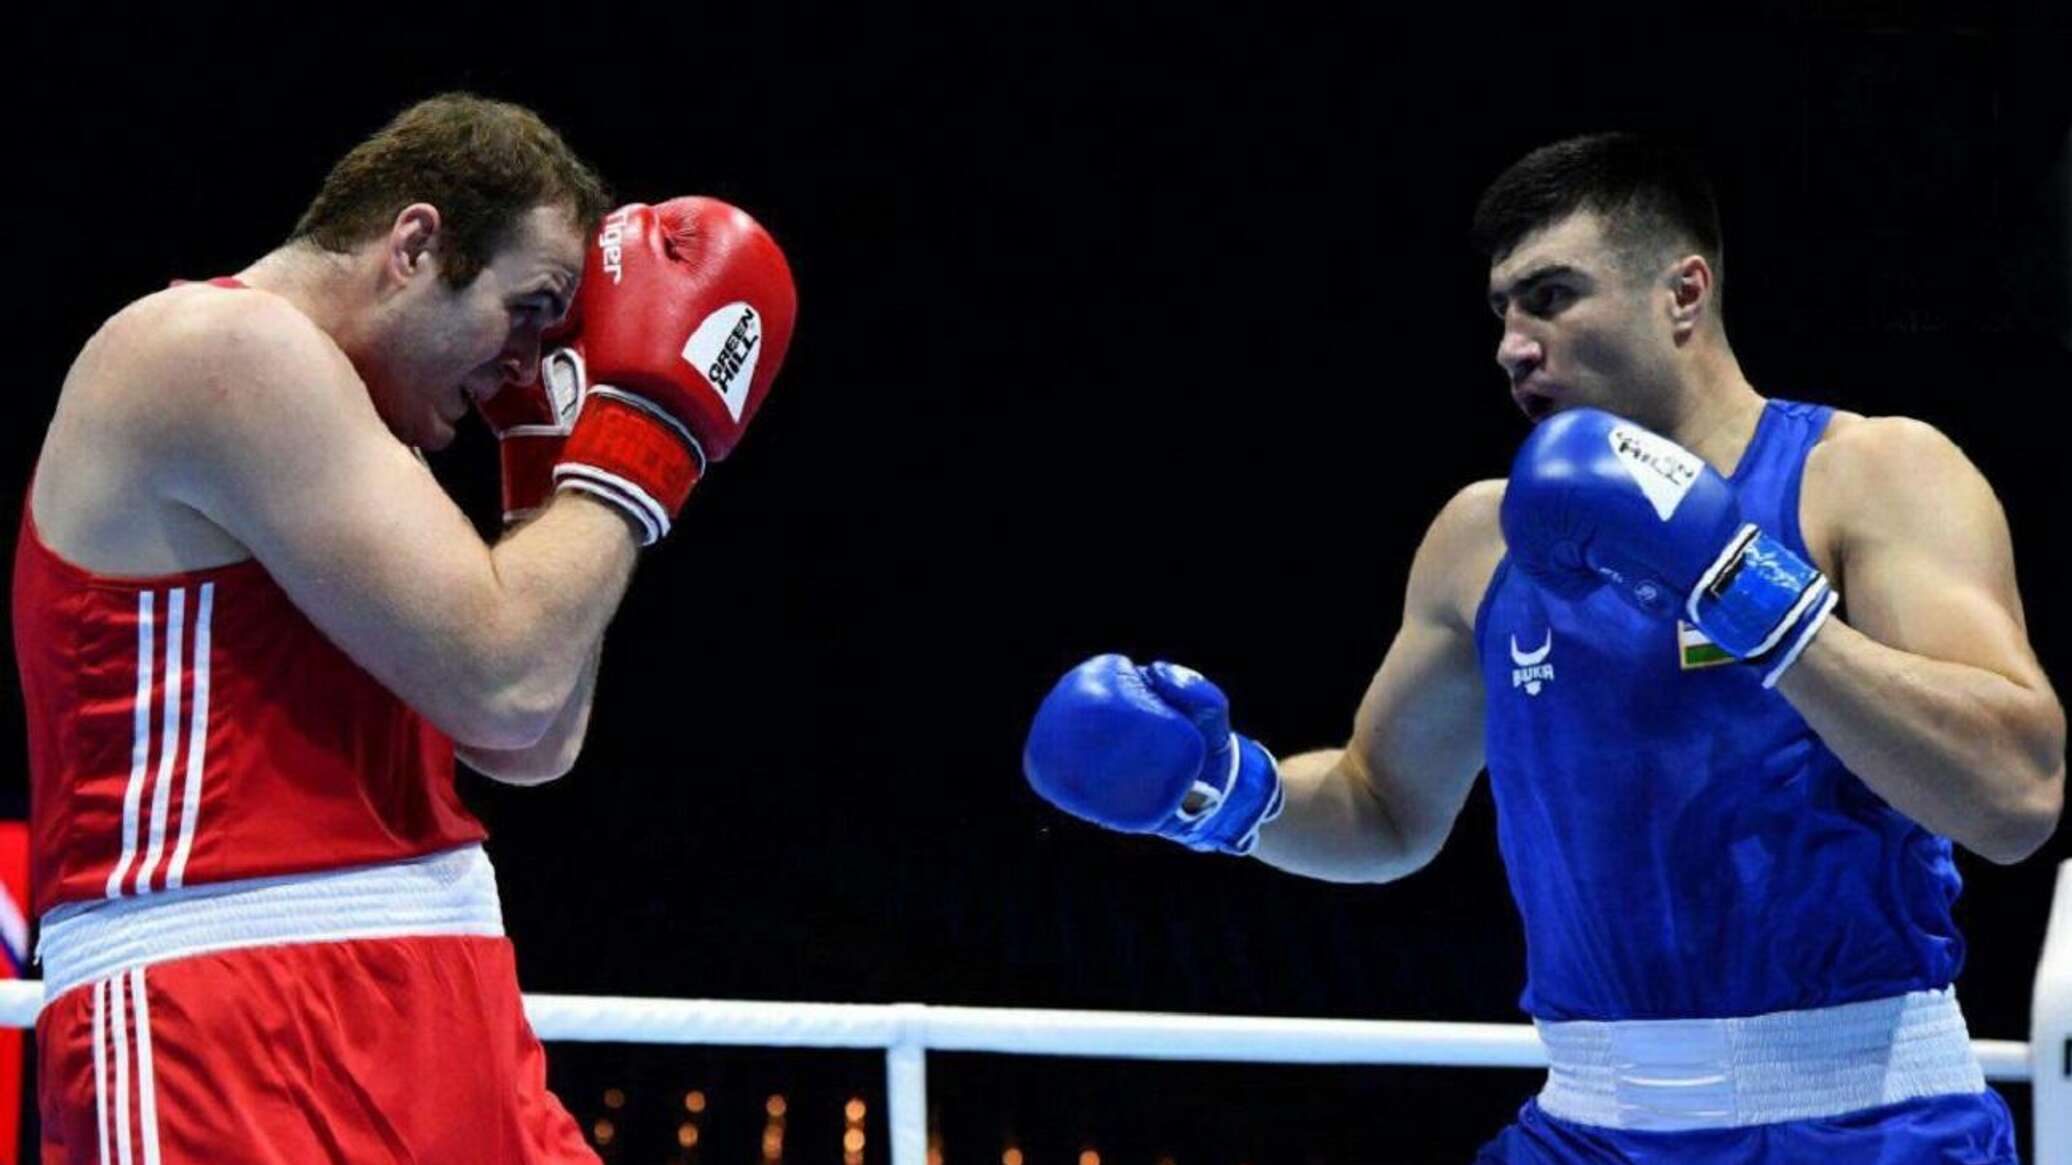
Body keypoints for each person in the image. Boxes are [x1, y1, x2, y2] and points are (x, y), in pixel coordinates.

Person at [1023, 132, 2064, 1162]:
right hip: (1588, 1130)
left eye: (1552, 296)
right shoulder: (1479, 543)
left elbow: (2013, 798)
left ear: (1683, 294)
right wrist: (1218, 795)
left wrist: (1744, 594)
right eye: (1500, 311)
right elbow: (1380, 807)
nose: (1512, 343)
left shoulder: (1866, 474)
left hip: (1864, 1123)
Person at [16, 93, 796, 1162]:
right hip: (226, 1013)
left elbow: (531, 741)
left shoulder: (363, 430)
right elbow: (504, 681)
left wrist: (541, 461)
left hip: (444, 985)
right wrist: (647, 434)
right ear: (416, 244)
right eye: (531, 307)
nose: (529, 361)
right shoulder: (212, 346)